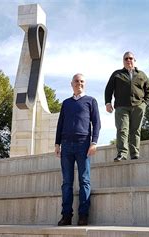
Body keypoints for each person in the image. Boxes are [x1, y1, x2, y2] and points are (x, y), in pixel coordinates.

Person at [55, 73, 101, 226]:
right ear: (71, 84)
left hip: (83, 145)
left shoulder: (91, 101)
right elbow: (60, 124)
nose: (79, 83)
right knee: (67, 182)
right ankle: (66, 216)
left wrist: (93, 142)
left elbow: (97, 123)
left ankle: (83, 215)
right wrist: (57, 144)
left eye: (81, 81)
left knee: (84, 180)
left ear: (84, 84)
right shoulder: (66, 103)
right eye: (76, 81)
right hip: (66, 145)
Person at [105, 51, 149, 161]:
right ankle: (122, 154)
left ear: (134, 60)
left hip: (138, 106)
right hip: (121, 106)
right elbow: (109, 89)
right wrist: (108, 103)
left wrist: (145, 103)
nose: (128, 60)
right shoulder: (117, 74)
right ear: (123, 61)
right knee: (122, 129)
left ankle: (135, 154)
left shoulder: (141, 74)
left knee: (135, 130)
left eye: (130, 58)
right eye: (126, 59)